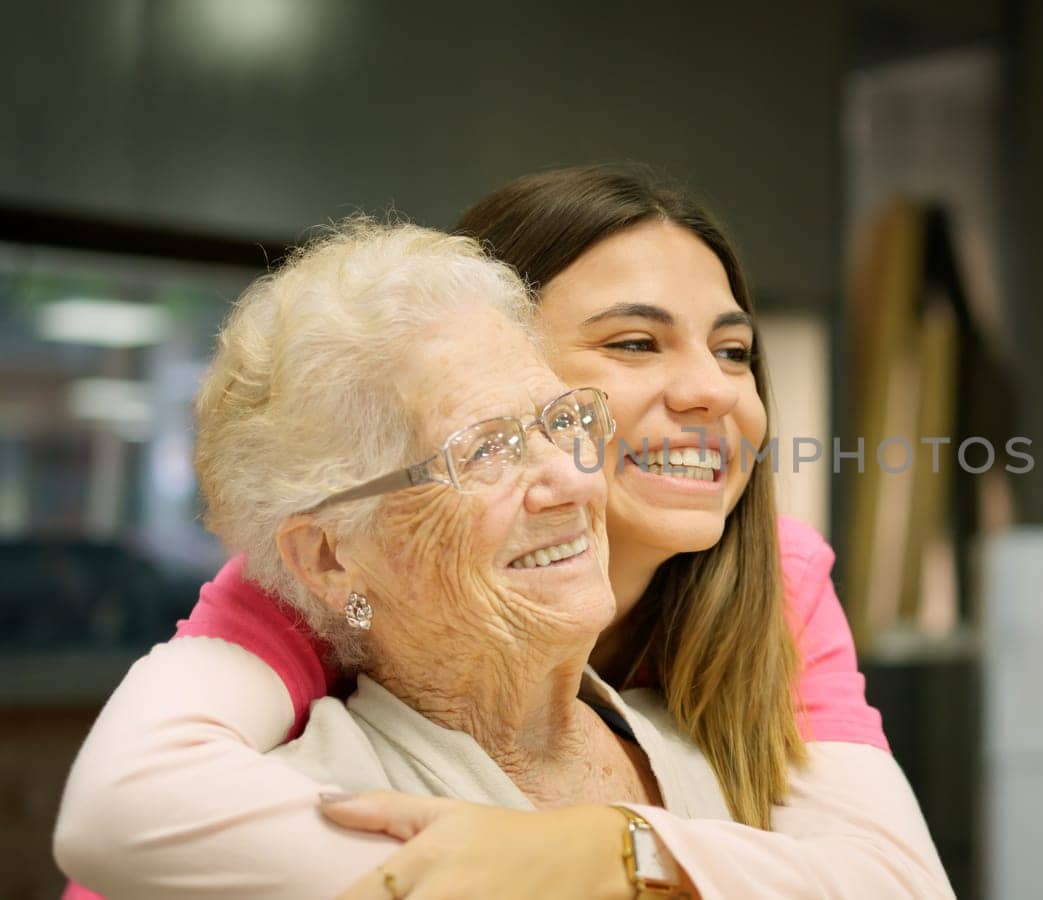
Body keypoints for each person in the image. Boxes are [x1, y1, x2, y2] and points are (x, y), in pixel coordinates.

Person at [55, 167, 953, 898]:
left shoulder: (769, 588)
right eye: (634, 344)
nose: (714, 391)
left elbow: (897, 881)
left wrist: (615, 853)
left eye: (733, 351)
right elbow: (119, 811)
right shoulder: (305, 595)